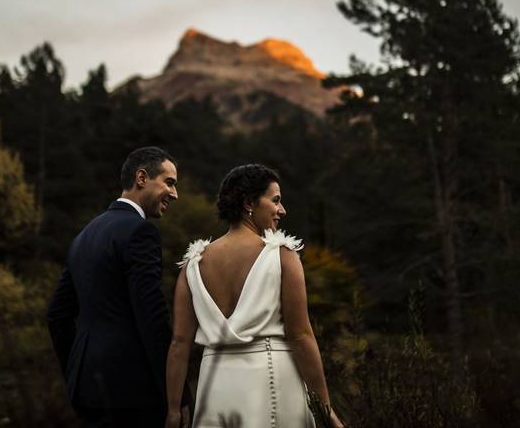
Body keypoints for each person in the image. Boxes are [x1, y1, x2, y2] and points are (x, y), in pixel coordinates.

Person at [165, 163, 344, 428]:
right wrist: (325, 408)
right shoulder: (282, 256)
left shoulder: (192, 264)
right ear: (249, 202)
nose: (282, 210)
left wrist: (173, 410)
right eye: (275, 200)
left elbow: (180, 343)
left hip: (214, 388)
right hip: (271, 382)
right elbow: (301, 335)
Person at [47, 146, 189, 428]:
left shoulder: (85, 234)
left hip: (87, 388)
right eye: (169, 182)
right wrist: (177, 395)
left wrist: (76, 371)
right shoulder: (140, 232)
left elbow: (57, 315)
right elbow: (152, 318)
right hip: (131, 391)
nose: (175, 194)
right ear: (141, 178)